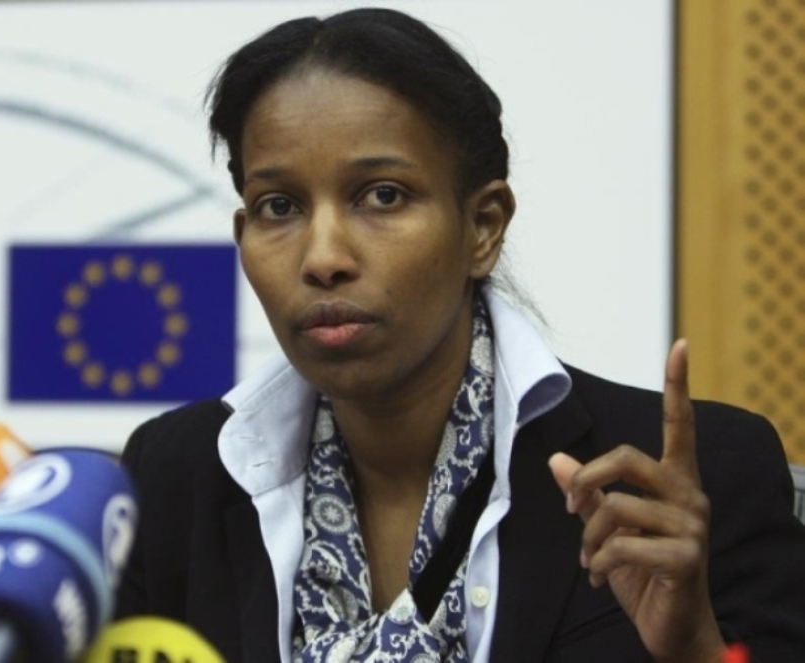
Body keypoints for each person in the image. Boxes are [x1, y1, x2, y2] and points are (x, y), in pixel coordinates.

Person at [114, 8, 805, 662]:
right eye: (280, 206)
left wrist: (697, 650)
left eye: (381, 195)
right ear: (243, 237)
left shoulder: (693, 478)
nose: (322, 256)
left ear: (483, 226)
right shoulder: (172, 478)